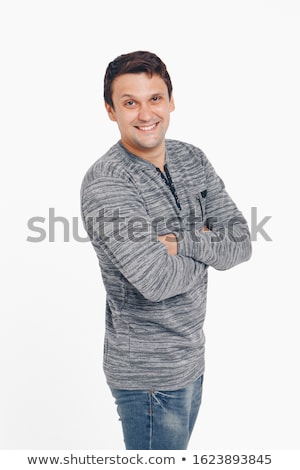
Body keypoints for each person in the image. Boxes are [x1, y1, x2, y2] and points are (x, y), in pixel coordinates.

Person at [80, 50, 252, 450]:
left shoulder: (192, 158)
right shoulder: (109, 182)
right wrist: (210, 245)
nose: (145, 114)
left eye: (154, 98)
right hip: (148, 377)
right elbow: (156, 281)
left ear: (171, 101)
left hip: (192, 358)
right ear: (111, 111)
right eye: (129, 102)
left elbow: (241, 241)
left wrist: (183, 242)